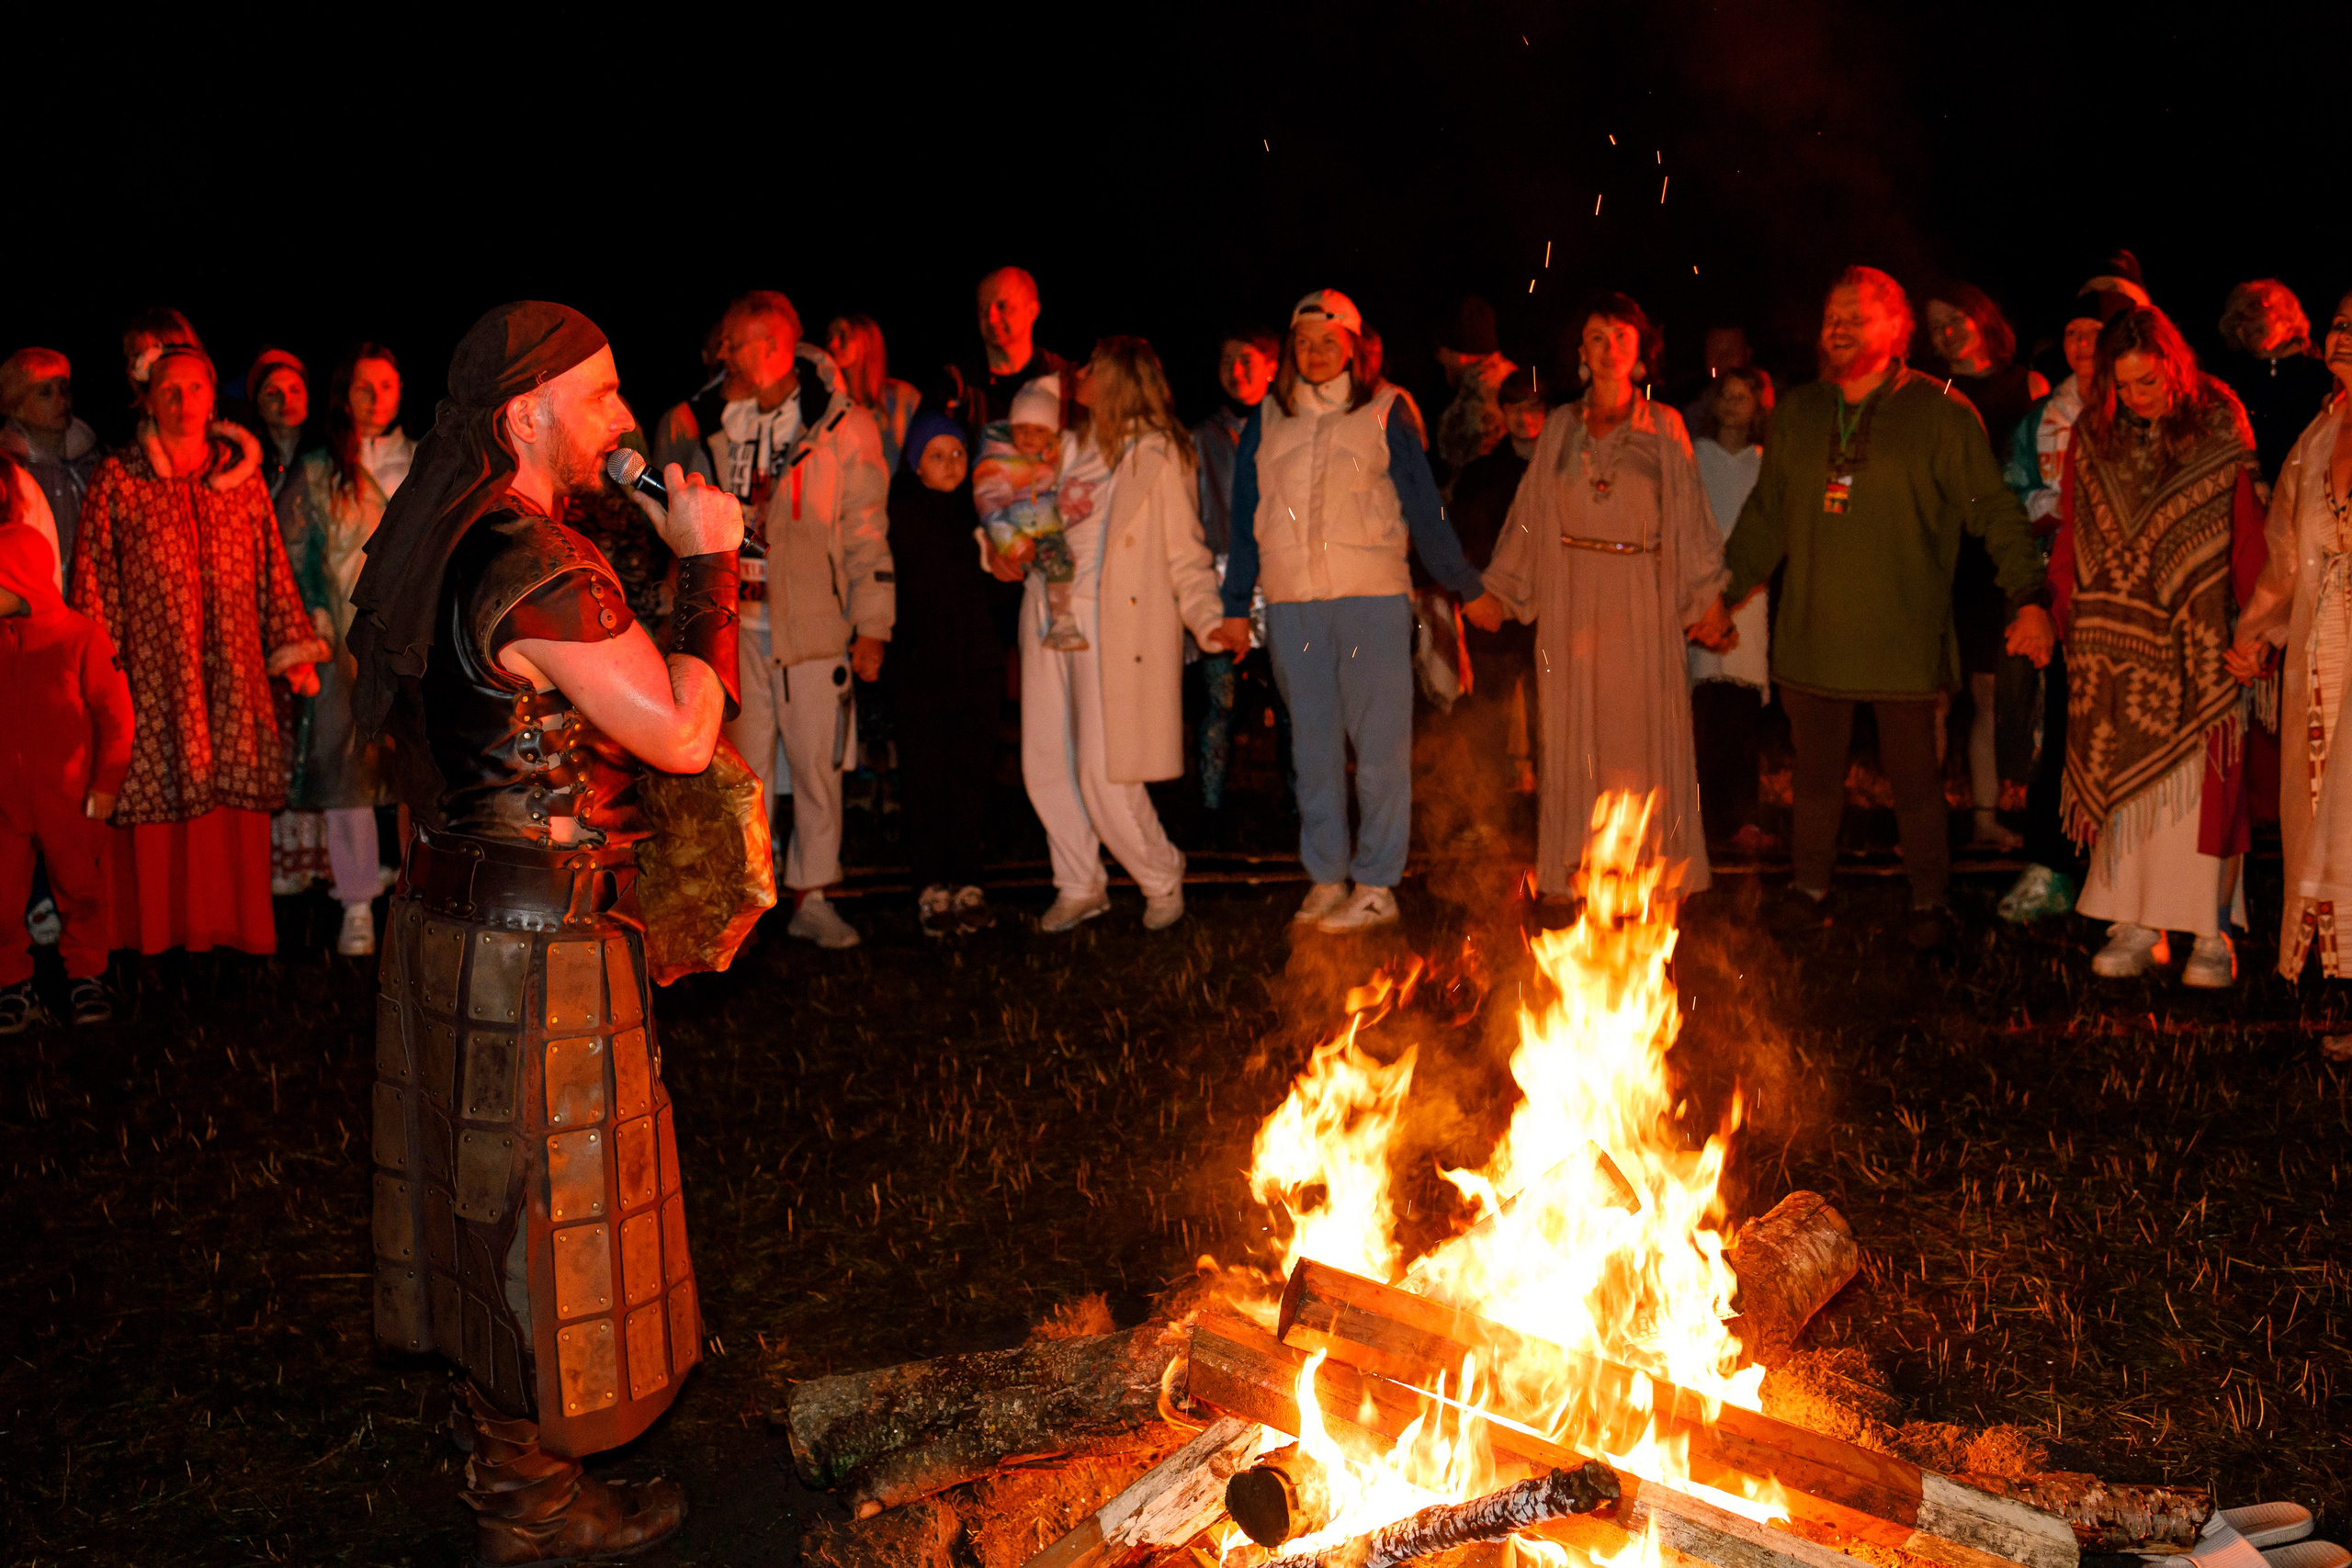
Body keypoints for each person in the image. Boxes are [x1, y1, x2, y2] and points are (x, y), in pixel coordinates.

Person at [348, 300, 738, 1565]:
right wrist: (712, 566)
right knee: (539, 1215)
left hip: (456, 919)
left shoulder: (451, 537)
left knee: (489, 1205)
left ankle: (510, 1480)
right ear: (527, 414)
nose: (628, 417)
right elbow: (679, 730)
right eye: (605, 393)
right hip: (534, 949)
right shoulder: (531, 563)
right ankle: (531, 1507)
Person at [1715, 266, 2054, 951]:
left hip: (1905, 637)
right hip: (1814, 634)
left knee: (1916, 782)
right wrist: (1723, 594)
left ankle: (1929, 900)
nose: (1836, 328)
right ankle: (1811, 890)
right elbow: (1766, 516)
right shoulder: (1801, 413)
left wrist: (2030, 597)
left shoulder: (1941, 414)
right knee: (1813, 780)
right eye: (1830, 317)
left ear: (1897, 332)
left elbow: (1995, 511)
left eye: (1855, 317)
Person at [1218, 289, 1490, 933]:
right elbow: (1244, 517)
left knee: (1379, 748)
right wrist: (1235, 605)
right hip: (1293, 604)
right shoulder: (1267, 417)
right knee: (1311, 748)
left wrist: (1465, 585)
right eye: (1303, 342)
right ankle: (1326, 876)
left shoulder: (1386, 410)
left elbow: (1424, 506)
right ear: (1290, 349)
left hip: (1370, 596)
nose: (1315, 354)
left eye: (1328, 341)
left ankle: (1375, 883)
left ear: (1353, 346)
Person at [1465, 293, 1734, 898]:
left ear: (1640, 353)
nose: (1608, 347)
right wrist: (1499, 590)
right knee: (1570, 736)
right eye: (1595, 337)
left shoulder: (1665, 426)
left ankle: (1644, 874)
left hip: (1640, 601)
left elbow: (1689, 516)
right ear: (1581, 355)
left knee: (1636, 737)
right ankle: (1574, 869)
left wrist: (1706, 597)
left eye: (1620, 336)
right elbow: (1530, 515)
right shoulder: (1559, 427)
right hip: (1571, 600)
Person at [71, 342, 325, 961]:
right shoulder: (118, 479)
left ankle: (233, 932)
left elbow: (270, 568)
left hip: (234, 673)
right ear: (147, 399)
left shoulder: (239, 481)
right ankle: (153, 936)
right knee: (158, 793)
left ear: (214, 396)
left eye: (195, 388)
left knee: (231, 793)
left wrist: (292, 650)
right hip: (154, 678)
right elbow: (95, 581)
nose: (184, 402)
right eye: (170, 390)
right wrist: (95, 675)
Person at [2050, 305, 2263, 987]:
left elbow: (2247, 528)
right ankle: (2134, 923)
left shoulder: (2217, 421)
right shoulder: (2095, 434)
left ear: (2175, 365)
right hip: (2113, 640)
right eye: (2128, 386)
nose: (2142, 397)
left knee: (2202, 795)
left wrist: (2256, 626)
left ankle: (2209, 928)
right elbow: (2074, 528)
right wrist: (2066, 615)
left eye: (2152, 382)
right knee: (2122, 782)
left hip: (2199, 637)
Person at [1001, 337, 1234, 931]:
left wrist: (1208, 618)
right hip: (1046, 612)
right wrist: (998, 550)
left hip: (1111, 624)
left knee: (1104, 771)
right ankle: (1079, 882)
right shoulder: (1067, 443)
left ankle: (1160, 873)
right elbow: (1020, 510)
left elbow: (1186, 553)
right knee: (1046, 761)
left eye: (1091, 368)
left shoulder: (1159, 453)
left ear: (1120, 379)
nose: (1077, 374)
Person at [700, 291, 892, 950]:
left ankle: (813, 895)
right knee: (743, 773)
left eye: (743, 341)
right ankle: (749, 901)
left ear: (777, 345)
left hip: (813, 625)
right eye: (728, 340)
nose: (729, 353)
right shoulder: (711, 420)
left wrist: (873, 625)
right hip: (738, 627)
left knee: (815, 768)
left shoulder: (841, 425)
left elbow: (868, 534)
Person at [1996, 289, 2133, 923]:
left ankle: (2124, 871)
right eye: (2073, 334)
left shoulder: (2137, 407)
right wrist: (2040, 512)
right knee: (2056, 731)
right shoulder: (2040, 419)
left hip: (2128, 602)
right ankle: (2051, 863)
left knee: (2122, 729)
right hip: (2062, 593)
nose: (2082, 346)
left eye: (2093, 334)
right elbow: (2011, 489)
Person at [2232, 289, 2352, 1000]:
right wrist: (2258, 636)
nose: (2343, 336)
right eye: (2339, 323)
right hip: (2321, 656)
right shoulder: (2316, 438)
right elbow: (2284, 557)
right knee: (2328, 812)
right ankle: (2343, 979)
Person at [275, 344, 413, 954]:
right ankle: (357, 902)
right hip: (342, 640)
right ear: (344, 392)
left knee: (419, 768)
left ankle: (420, 894)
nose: (377, 397)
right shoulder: (319, 470)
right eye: (364, 385)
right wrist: (317, 623)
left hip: (414, 639)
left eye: (387, 385)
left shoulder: (423, 463)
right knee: (346, 768)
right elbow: (298, 555)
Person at [1927, 282, 2049, 854]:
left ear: (1983, 318)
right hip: (1936, 552)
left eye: (1955, 318)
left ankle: (1984, 817)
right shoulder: (1925, 393)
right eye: (1934, 325)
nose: (1945, 331)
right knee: (1928, 695)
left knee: (1989, 694)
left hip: (1992, 557)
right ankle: (1920, 825)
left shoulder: (2027, 386)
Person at [0, 520, 132, 1031]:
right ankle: (11, 983)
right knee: (3, 894)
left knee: (80, 889)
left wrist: (107, 783)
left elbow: (116, 714)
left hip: (69, 798)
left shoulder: (80, 638)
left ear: (24, 580)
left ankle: (85, 976)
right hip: (7, 804)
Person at [888, 413, 1003, 936]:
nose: (951, 465)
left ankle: (969, 878)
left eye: (958, 453)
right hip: (920, 670)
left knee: (971, 774)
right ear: (916, 464)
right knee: (925, 776)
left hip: (976, 667)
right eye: (937, 455)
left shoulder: (983, 513)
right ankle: (931, 883)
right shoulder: (902, 515)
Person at [1191, 328, 1287, 830]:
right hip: (1221, 579)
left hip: (1284, 579)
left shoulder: (1291, 429)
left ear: (1272, 367)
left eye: (1247, 360)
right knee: (1219, 700)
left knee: (1291, 698)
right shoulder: (1201, 437)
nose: (1237, 371)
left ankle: (1298, 808)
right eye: (1228, 359)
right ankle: (1209, 811)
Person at [1686, 366, 1776, 852]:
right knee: (1701, 705)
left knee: (1740, 708)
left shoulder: (1766, 462)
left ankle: (1743, 816)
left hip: (1750, 593)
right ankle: (1700, 813)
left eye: (1744, 396)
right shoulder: (1693, 457)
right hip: (1700, 588)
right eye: (1727, 395)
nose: (1734, 404)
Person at [1447, 367, 1546, 795]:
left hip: (1549, 607)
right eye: (1515, 408)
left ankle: (1553, 799)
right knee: (1489, 708)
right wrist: (1471, 592)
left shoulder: (1563, 472)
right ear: (1502, 412)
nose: (1525, 418)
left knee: (1551, 711)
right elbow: (1464, 539)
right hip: (1495, 607)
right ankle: (1486, 804)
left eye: (1534, 408)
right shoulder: (1480, 475)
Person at [974, 376, 1084, 649]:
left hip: (1044, 530)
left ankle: (1061, 620)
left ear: (1051, 433)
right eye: (1021, 428)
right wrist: (1012, 542)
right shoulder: (998, 460)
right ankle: (1060, 621)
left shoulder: (1054, 456)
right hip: (1014, 535)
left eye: (1038, 430)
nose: (1028, 437)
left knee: (1062, 562)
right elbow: (989, 506)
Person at [2213, 280, 2337, 493]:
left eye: (2254, 310)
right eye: (2237, 322)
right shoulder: (2234, 391)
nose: (2245, 325)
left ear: (2287, 314)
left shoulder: (2328, 379)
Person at [1, 347, 100, 584]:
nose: (61, 400)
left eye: (64, 389)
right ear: (17, 406)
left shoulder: (92, 461)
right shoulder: (9, 472)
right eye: (45, 393)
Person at [1432, 295, 1515, 482]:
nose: (1438, 357)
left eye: (1440, 350)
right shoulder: (1513, 377)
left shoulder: (1479, 393)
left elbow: (1447, 457)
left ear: (1461, 356)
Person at [825, 313, 921, 474]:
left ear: (866, 340)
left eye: (843, 336)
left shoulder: (902, 397)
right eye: (829, 337)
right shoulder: (828, 400)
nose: (833, 344)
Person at [236, 347, 315, 500]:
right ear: (258, 406)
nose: (286, 400)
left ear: (307, 397)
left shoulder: (330, 460)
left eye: (295, 390)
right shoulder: (246, 465)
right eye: (272, 393)